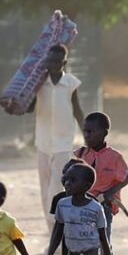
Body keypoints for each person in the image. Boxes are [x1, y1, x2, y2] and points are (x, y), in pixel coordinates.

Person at [75, 112, 128, 255]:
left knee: (104, 249)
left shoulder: (114, 157)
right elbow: (69, 177)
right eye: (85, 131)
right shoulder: (81, 155)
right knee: (88, 252)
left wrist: (108, 193)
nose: (87, 135)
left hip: (103, 210)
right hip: (82, 210)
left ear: (104, 133)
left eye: (91, 131)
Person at [31, 44, 84, 231]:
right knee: (44, 185)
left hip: (63, 142)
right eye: (49, 61)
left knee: (56, 184)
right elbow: (29, 107)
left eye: (56, 61)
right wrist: (31, 87)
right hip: (43, 142)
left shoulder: (71, 83)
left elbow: (77, 110)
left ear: (64, 63)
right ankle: (50, 225)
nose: (52, 65)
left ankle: (56, 223)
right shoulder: (39, 83)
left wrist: (87, 134)